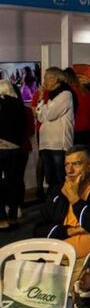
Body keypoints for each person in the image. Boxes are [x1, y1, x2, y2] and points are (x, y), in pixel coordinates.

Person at [34, 145, 90, 259]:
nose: (70, 171)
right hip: (53, 261)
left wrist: (75, 200)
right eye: (66, 165)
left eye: (76, 164)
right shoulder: (58, 192)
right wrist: (69, 231)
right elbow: (38, 230)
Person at [35, 67, 76, 192]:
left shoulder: (65, 95)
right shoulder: (51, 97)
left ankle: (63, 205)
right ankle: (53, 205)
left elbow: (51, 115)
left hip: (59, 144)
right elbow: (41, 117)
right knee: (51, 179)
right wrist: (41, 98)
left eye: (46, 78)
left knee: (60, 178)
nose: (44, 82)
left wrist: (44, 107)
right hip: (46, 143)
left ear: (55, 79)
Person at [0, 80, 27, 230]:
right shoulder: (19, 105)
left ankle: (1, 217)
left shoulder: (1, 103)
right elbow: (23, 129)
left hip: (0, 147)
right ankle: (13, 216)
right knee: (14, 181)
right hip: (15, 148)